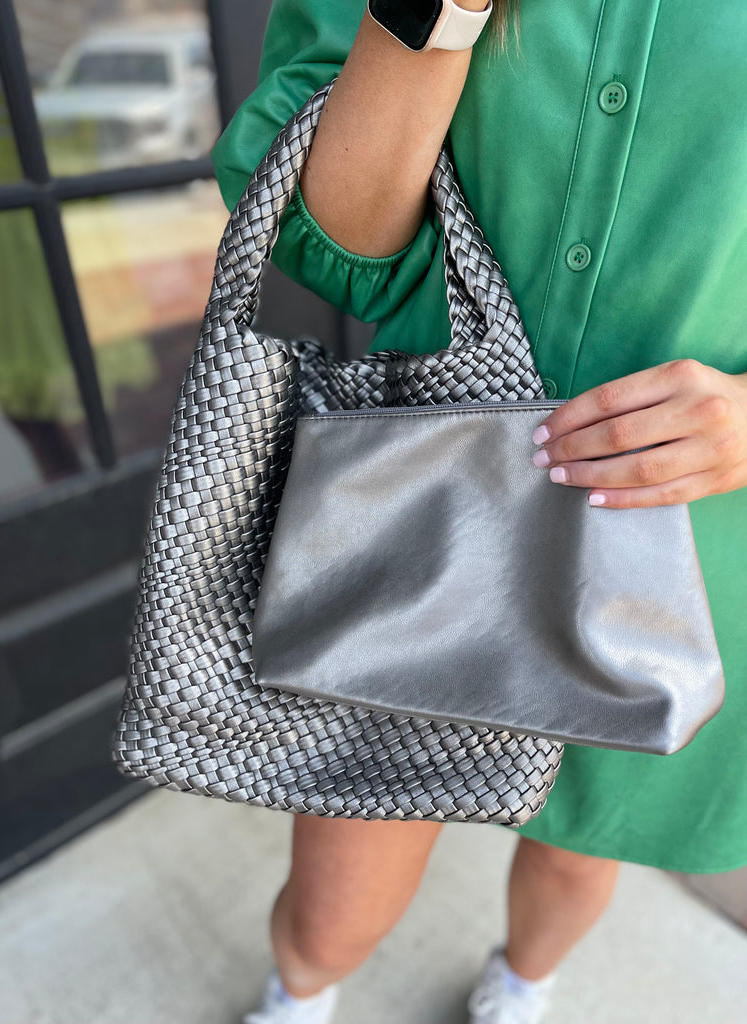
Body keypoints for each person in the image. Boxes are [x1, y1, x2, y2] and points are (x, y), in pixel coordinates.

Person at [211, 2, 747, 1022]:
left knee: (575, 860)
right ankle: (299, 992)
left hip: (684, 531)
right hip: (426, 512)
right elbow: (326, 248)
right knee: (332, 912)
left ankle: (522, 983)